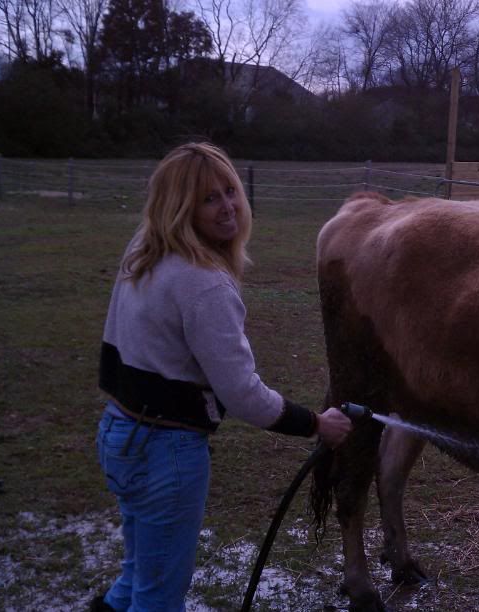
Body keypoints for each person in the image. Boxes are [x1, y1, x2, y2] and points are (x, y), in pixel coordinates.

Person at [92, 142, 352, 611]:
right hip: (164, 451)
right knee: (158, 597)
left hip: (119, 433)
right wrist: (316, 424)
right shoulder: (204, 282)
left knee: (138, 575)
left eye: (230, 190)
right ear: (180, 207)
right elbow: (242, 394)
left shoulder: (145, 250)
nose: (228, 206)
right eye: (209, 198)